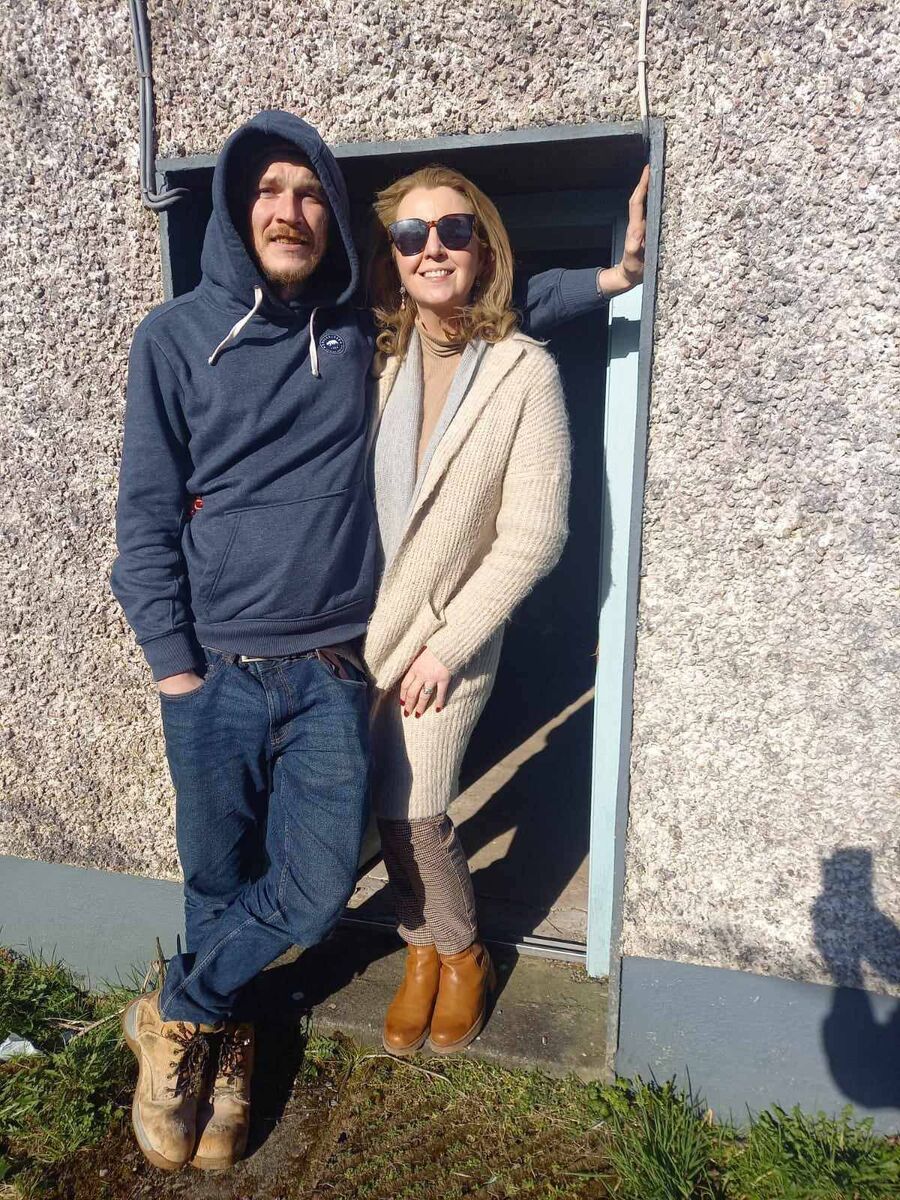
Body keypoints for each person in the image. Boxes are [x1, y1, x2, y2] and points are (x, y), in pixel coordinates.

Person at [111, 107, 644, 1172]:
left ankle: (174, 1005)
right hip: (210, 673)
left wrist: (613, 278)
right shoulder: (172, 339)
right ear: (231, 208)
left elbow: (490, 307)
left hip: (330, 669)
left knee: (307, 890)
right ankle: (220, 1060)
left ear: (333, 221)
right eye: (267, 191)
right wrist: (174, 667)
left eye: (310, 193)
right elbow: (142, 519)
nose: (289, 210)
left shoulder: (359, 330)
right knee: (217, 881)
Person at [363, 164, 647, 1057]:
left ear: (483, 246)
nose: (431, 249)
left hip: (448, 635)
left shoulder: (525, 372)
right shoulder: (376, 360)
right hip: (356, 629)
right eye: (411, 236)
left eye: (451, 230)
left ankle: (460, 952)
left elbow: (533, 537)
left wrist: (449, 646)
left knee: (419, 808)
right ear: (395, 257)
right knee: (373, 801)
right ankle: (418, 952)